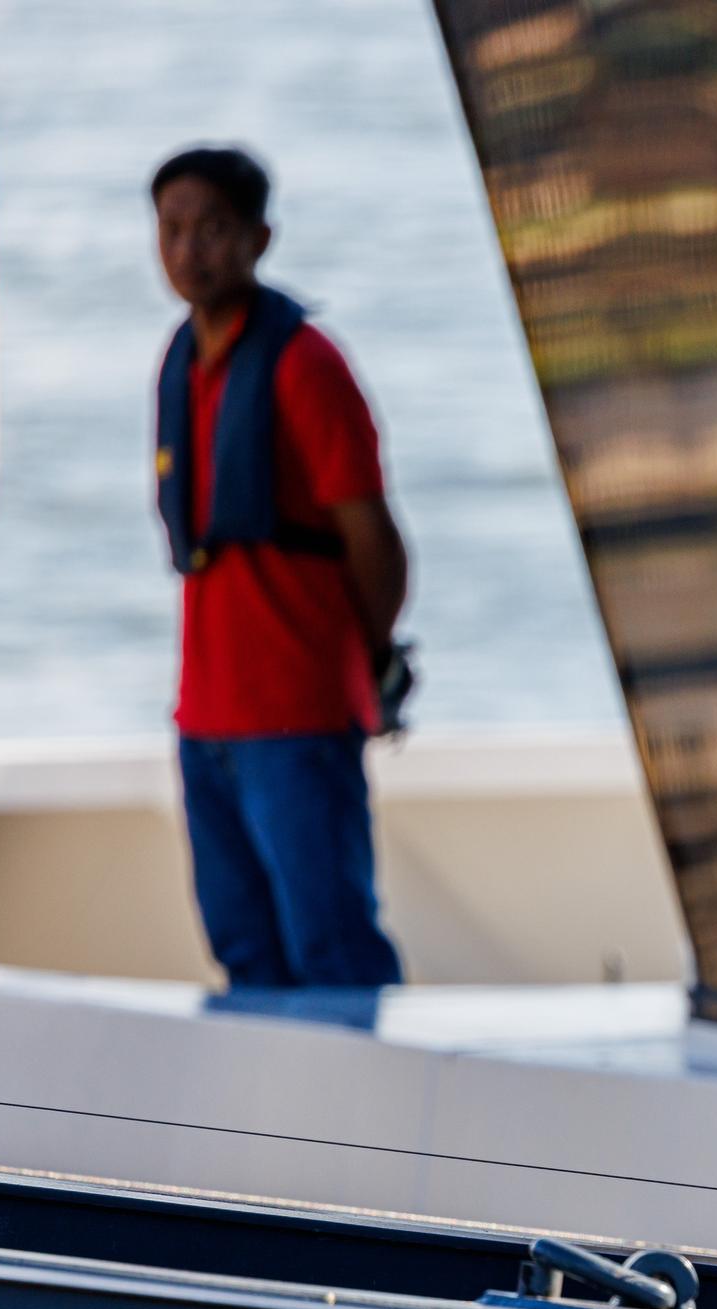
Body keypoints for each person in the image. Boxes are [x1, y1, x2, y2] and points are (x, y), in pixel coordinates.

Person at [149, 146, 408, 989]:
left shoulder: (307, 367)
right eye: (174, 228)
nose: (191, 250)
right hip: (206, 723)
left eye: (214, 229)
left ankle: (369, 1126)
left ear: (260, 238)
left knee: (333, 951)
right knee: (245, 953)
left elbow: (375, 543)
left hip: (297, 720)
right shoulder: (180, 365)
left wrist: (363, 659)